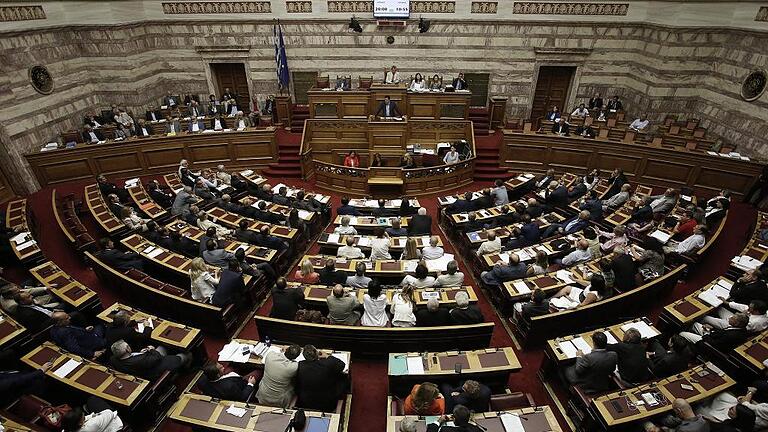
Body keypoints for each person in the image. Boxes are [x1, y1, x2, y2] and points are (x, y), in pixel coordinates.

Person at [295, 345, 347, 411]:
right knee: (343, 378)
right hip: (327, 403)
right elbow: (342, 365)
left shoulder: (300, 365)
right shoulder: (327, 364)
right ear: (317, 354)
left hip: (305, 402)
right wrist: (327, 356)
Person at [109, 340, 189, 380]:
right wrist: (152, 350)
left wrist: (140, 353)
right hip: (155, 369)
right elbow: (157, 358)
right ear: (127, 349)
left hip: (144, 365)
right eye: (127, 346)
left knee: (163, 347)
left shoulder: (113, 359)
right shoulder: (140, 360)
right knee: (183, 356)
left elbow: (132, 358)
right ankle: (187, 366)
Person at [679, 312, 750, 350]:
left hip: (707, 343)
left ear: (737, 323)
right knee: (695, 324)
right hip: (712, 335)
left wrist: (706, 333)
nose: (730, 318)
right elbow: (723, 332)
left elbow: (715, 344)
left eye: (733, 318)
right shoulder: (742, 329)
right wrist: (712, 329)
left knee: (682, 333)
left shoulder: (732, 335)